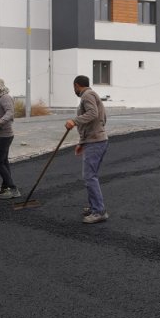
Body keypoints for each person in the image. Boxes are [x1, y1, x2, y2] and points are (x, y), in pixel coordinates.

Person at [65, 75, 109, 224]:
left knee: (90, 177)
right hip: (95, 141)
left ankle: (99, 211)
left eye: (74, 87)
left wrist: (74, 121)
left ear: (77, 85)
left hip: (96, 142)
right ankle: (94, 207)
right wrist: (82, 142)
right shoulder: (92, 95)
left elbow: (93, 114)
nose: (74, 90)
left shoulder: (87, 95)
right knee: (91, 176)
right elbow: (102, 118)